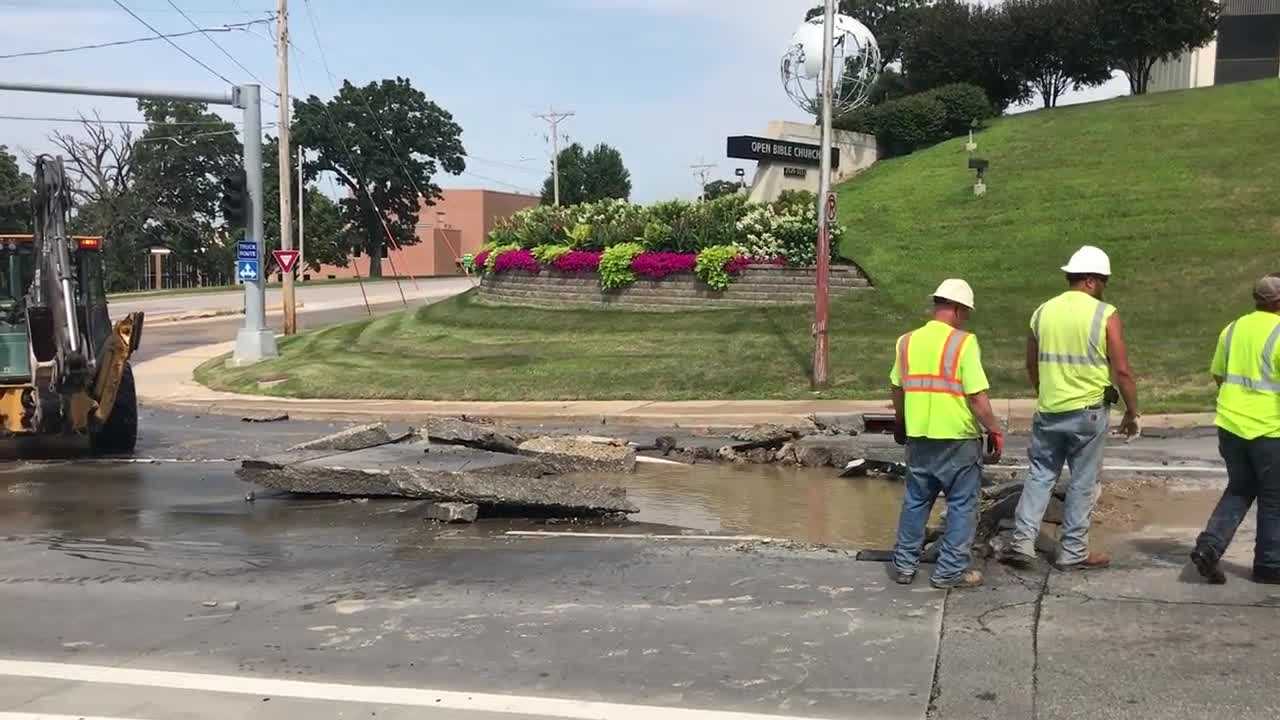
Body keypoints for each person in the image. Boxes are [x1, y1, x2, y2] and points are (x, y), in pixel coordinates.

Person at [1001, 245, 1140, 571]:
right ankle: (1073, 552)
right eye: (1103, 280)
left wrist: (1044, 393)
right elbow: (1122, 371)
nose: (1105, 286)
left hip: (1050, 409)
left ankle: (1022, 543)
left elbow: (1031, 364)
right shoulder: (1104, 314)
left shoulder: (1042, 312)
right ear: (1091, 280)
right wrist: (1132, 412)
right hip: (1088, 412)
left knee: (1040, 476)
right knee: (1083, 481)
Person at [890, 279, 1004, 590]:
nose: (965, 317)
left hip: (920, 437)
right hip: (957, 438)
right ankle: (949, 573)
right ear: (956, 309)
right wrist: (994, 429)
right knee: (962, 507)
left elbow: (897, 388)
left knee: (916, 501)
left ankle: (903, 566)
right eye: (965, 312)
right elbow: (977, 398)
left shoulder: (906, 342)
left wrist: (901, 422)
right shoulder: (963, 343)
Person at [1190, 274, 1280, 585]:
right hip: (1270, 429)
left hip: (1230, 425)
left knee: (1240, 488)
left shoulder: (1232, 329)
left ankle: (1209, 546)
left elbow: (1219, 374)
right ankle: (1270, 565)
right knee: (1274, 498)